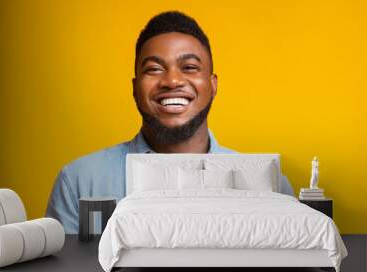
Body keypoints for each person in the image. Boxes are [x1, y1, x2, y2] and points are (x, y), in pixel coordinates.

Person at [46, 11, 294, 234]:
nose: (172, 81)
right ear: (135, 87)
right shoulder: (78, 182)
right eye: (154, 69)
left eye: (189, 67)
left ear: (213, 84)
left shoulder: (271, 184)